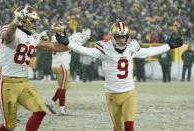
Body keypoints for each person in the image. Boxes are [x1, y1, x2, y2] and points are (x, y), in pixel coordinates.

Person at [55, 22, 183, 131]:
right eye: (118, 37)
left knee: (129, 127)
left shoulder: (132, 46)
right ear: (112, 37)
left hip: (129, 94)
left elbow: (149, 51)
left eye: (124, 37)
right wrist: (68, 43)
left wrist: (169, 46)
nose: (122, 40)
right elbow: (86, 51)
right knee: (118, 129)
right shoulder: (105, 48)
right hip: (112, 95)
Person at [0, 5, 68, 131]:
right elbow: (8, 36)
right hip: (8, 83)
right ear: (24, 20)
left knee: (40, 110)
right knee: (10, 125)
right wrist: (16, 21)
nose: (36, 24)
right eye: (33, 21)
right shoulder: (10, 29)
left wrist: (69, 43)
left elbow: (54, 47)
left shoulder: (33, 37)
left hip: (24, 83)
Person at [47, 22, 91, 115]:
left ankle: (60, 108)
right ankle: (53, 104)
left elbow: (69, 41)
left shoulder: (55, 37)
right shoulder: (57, 38)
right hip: (62, 65)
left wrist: (78, 38)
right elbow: (68, 44)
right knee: (63, 87)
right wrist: (81, 39)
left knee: (62, 88)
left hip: (57, 64)